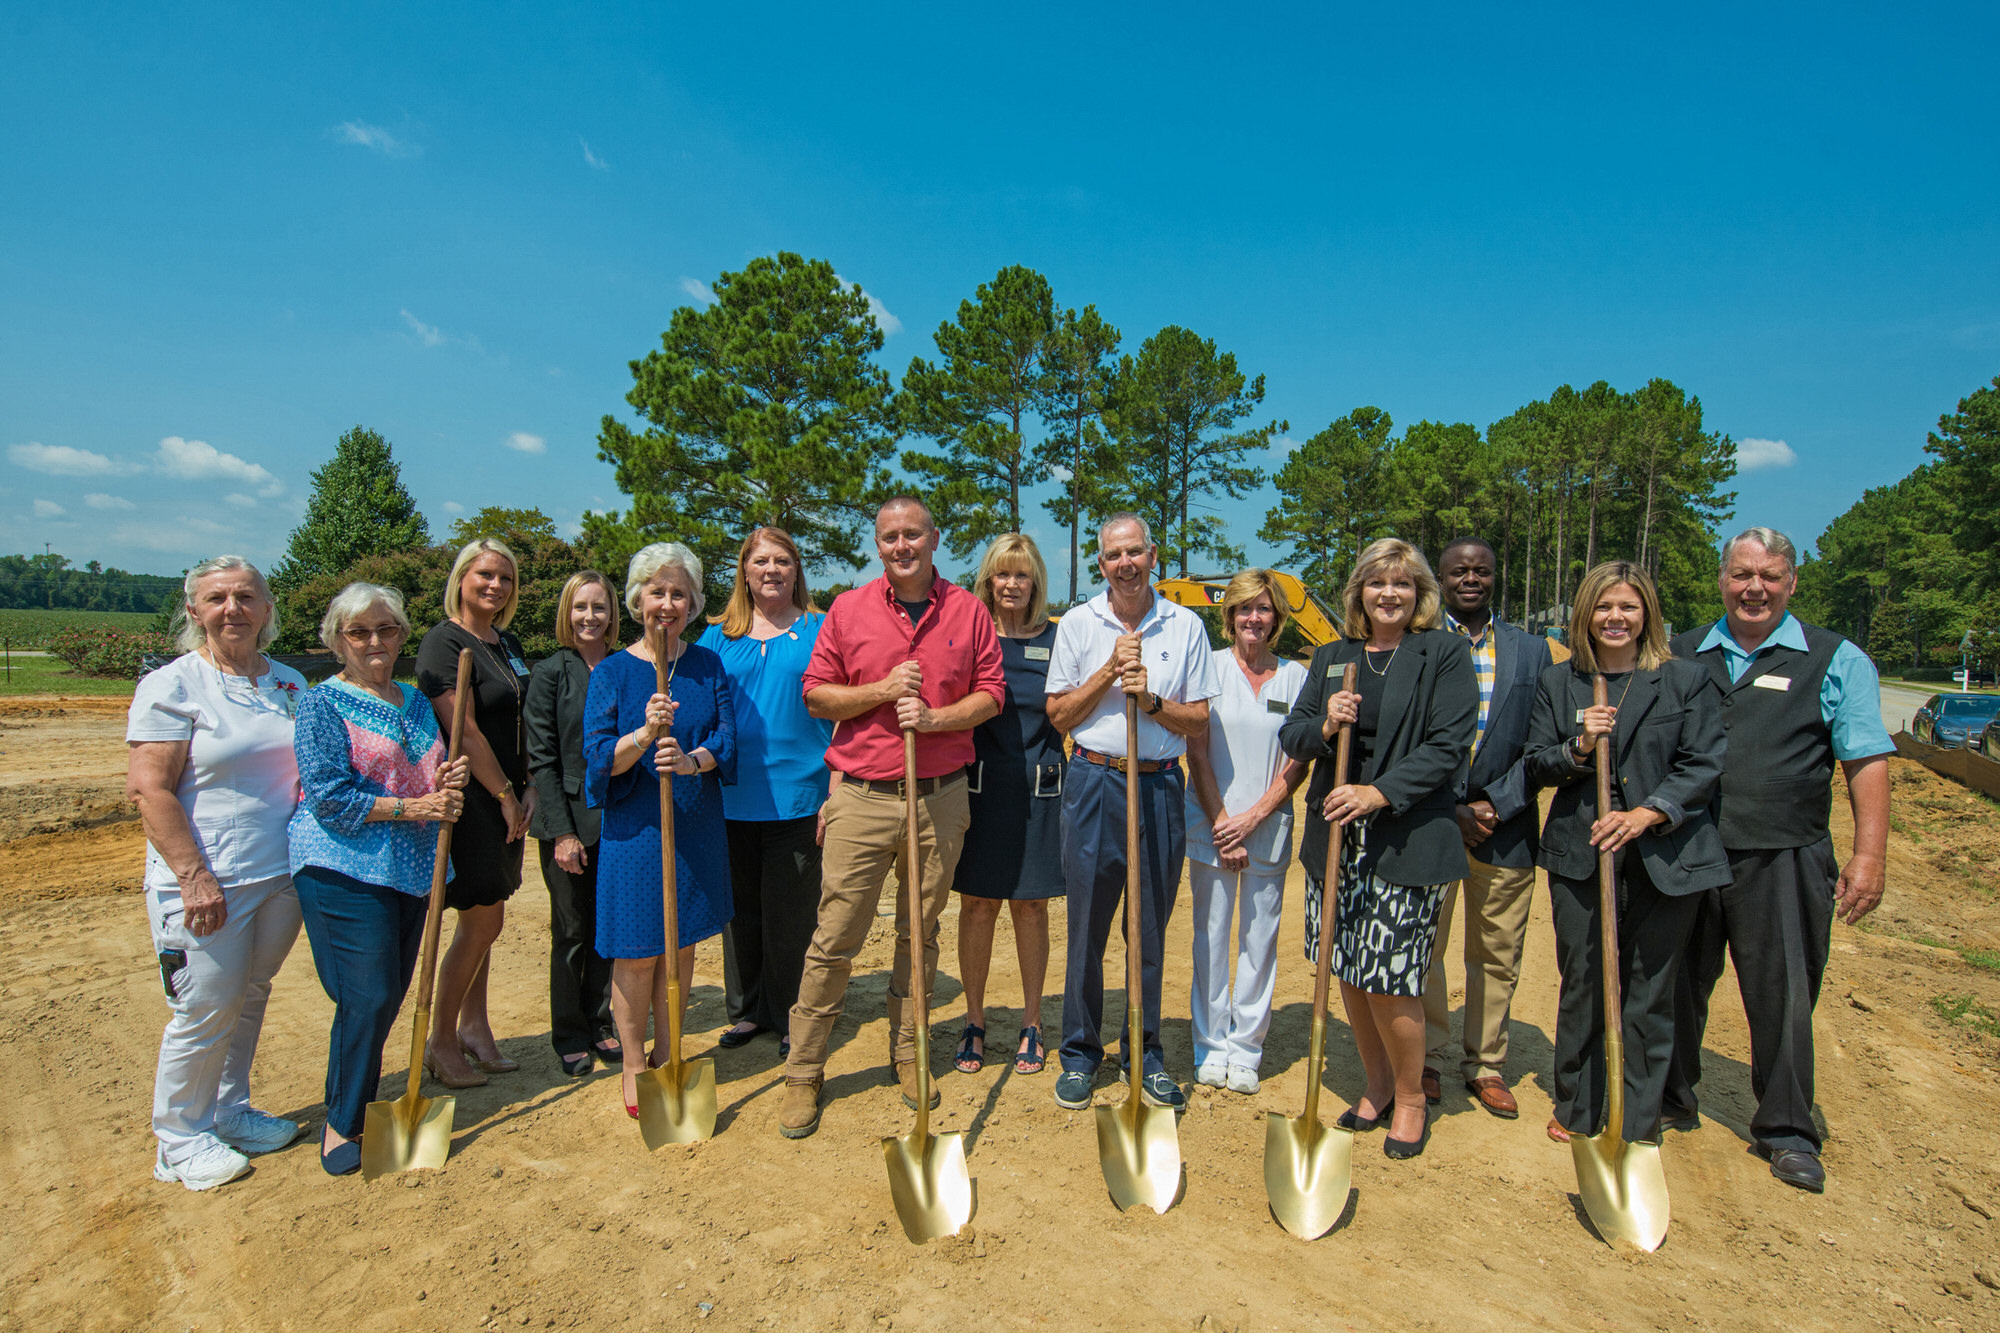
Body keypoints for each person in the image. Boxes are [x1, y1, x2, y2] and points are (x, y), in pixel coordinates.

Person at [1664, 527, 1893, 1193]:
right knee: (1673, 980)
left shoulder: (1835, 659)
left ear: (1792, 582)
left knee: (1784, 992)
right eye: (1742, 574)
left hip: (1785, 854)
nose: (1754, 587)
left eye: (1769, 574)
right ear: (1722, 579)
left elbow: (1866, 758)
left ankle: (1788, 1127)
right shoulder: (1680, 655)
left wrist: (1869, 855)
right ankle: (1672, 1094)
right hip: (1689, 850)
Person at [778, 497, 1004, 1139]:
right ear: (877, 546)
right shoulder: (848, 610)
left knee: (919, 932)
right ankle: (804, 1070)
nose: (901, 546)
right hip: (862, 796)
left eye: (912, 534)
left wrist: (933, 718)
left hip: (938, 797)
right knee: (836, 935)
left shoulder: (968, 610)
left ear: (935, 538)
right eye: (888, 537)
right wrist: (881, 691)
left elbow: (992, 694)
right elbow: (816, 691)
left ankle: (909, 1053)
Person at [1279, 538, 1476, 1159]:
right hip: (1334, 841)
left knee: (1392, 978)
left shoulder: (1442, 653)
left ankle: (1413, 1098)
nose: (1388, 594)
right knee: (1349, 970)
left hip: (1406, 838)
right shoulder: (1334, 656)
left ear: (1420, 593)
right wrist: (1326, 724)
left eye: (1402, 583)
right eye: (1376, 583)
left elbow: (1448, 746)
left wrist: (1379, 793)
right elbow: (1295, 733)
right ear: (1358, 592)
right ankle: (1378, 1082)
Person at [1524, 562, 1727, 1148]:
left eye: (1628, 607)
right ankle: (1579, 1105)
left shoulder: (1685, 679)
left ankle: (1636, 1118)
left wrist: (1648, 812)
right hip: (1582, 853)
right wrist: (1579, 745)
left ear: (1647, 615)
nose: (1616, 618)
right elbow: (1537, 762)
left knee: (1649, 987)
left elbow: (1704, 763)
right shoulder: (1562, 682)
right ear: (1585, 613)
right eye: (1604, 607)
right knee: (1584, 981)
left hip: (1664, 855)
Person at [127, 556, 308, 1190]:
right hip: (208, 880)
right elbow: (150, 789)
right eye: (217, 598)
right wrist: (192, 875)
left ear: (266, 608)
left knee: (249, 995)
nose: (233, 608)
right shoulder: (173, 686)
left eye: (246, 597)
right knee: (204, 1007)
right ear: (194, 611)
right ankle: (177, 1137)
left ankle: (228, 1110)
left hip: (278, 874)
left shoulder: (287, 684)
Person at [288, 584, 470, 1175]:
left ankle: (361, 1097)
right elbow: (330, 798)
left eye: (386, 630)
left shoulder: (414, 701)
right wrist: (417, 809)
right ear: (337, 639)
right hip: (342, 865)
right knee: (366, 996)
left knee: (386, 993)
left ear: (401, 635)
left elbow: (426, 772)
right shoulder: (322, 704)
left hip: (408, 868)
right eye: (359, 631)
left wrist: (449, 776)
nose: (374, 641)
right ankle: (343, 1122)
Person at [1046, 514, 1221, 1113]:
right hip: (1093, 782)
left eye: (1135, 552)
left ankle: (1142, 1053)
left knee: (1146, 929)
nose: (1125, 563)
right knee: (1088, 927)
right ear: (1101, 565)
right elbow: (1060, 717)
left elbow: (1198, 722)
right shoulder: (1076, 623)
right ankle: (1079, 1053)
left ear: (1153, 557)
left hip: (1158, 788)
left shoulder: (1187, 625)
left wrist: (1149, 699)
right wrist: (1107, 673)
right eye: (1114, 555)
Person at [583, 543, 736, 1118]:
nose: (667, 603)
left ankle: (672, 1050)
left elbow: (726, 739)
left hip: (693, 822)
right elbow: (598, 758)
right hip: (636, 831)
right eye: (657, 591)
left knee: (682, 947)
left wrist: (693, 759)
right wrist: (645, 736)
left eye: (679, 593)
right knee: (637, 952)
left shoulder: (706, 665)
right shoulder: (614, 673)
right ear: (638, 599)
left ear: (693, 603)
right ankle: (631, 1062)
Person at [1419, 537, 1554, 1119]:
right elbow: (1406, 738)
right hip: (1430, 821)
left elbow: (1543, 743)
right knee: (1425, 944)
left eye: (1481, 571)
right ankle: (1424, 1055)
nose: (1470, 579)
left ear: (1496, 578)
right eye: (1458, 571)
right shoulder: (1420, 644)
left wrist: (1496, 806)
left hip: (1508, 824)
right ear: (1441, 579)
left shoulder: (1532, 652)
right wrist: (1450, 807)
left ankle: (1486, 1064)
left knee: (1497, 951)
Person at [695, 528, 832, 1061]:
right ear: (744, 572)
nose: (771, 570)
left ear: (797, 569)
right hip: (727, 797)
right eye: (760, 562)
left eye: (781, 561)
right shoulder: (714, 637)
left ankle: (792, 1014)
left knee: (793, 913)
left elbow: (842, 710)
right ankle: (749, 1011)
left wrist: (835, 789)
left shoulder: (823, 629)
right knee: (741, 911)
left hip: (802, 794)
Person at [415, 538, 536, 1088]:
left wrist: (529, 784)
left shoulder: (504, 641)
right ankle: (439, 1039)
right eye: (485, 575)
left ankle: (475, 1027)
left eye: (506, 578)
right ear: (461, 578)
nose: (496, 586)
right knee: (484, 917)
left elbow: (521, 717)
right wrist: (505, 794)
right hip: (475, 800)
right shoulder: (443, 643)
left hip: (511, 793)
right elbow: (462, 728)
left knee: (482, 920)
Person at [1184, 568, 1308, 1095]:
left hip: (1268, 822)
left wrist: (1255, 817)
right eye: (1243, 608)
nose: (1252, 618)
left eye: (1263, 608)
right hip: (1212, 824)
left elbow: (1301, 757)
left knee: (1260, 940)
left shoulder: (1296, 678)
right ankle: (1210, 1046)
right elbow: (1196, 749)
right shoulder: (1207, 670)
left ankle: (1246, 1048)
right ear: (1229, 616)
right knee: (1210, 937)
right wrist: (1221, 823)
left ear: (1277, 617)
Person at [950, 533, 1064, 1077]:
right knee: (977, 906)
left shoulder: (1060, 639)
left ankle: (1032, 1022)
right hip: (979, 790)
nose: (1011, 584)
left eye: (1021, 574)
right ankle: (974, 1020)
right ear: (988, 581)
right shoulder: (971, 637)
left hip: (1040, 790)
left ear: (1035, 581)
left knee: (1031, 906)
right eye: (1002, 574)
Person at [525, 571, 625, 1078]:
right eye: (581, 607)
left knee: (608, 928)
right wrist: (562, 833)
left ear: (613, 614)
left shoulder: (626, 666)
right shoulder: (550, 672)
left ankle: (600, 1020)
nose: (590, 616)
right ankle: (568, 1032)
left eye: (600, 607)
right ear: (568, 612)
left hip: (620, 818)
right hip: (567, 819)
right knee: (571, 930)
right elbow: (541, 759)